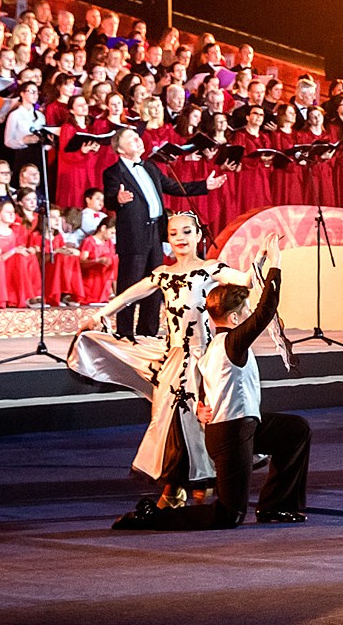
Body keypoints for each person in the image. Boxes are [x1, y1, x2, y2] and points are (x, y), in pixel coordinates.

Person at [71, 215, 276, 510]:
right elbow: (130, 295)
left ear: (197, 236)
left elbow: (244, 280)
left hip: (204, 357)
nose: (180, 237)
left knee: (203, 418)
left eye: (186, 231)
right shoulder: (163, 274)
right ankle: (177, 483)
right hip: (173, 357)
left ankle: (203, 481)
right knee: (166, 418)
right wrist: (98, 315)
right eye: (174, 232)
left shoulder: (209, 268)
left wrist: (262, 256)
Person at [112, 256, 311, 529]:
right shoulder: (233, 341)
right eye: (246, 310)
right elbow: (267, 309)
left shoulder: (215, 346)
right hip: (231, 435)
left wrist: (201, 405)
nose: (250, 313)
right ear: (233, 317)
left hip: (241, 426)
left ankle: (276, 506)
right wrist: (276, 263)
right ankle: (154, 516)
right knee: (228, 514)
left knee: (295, 430)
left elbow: (206, 381)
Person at [102, 124, 225, 337]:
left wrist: (205, 185)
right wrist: (117, 200)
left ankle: (147, 333)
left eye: (137, 137)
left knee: (155, 284)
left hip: (155, 234)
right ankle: (124, 334)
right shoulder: (114, 172)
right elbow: (110, 198)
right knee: (130, 286)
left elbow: (173, 187)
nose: (138, 140)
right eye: (131, 139)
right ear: (120, 149)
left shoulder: (150, 167)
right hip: (134, 236)